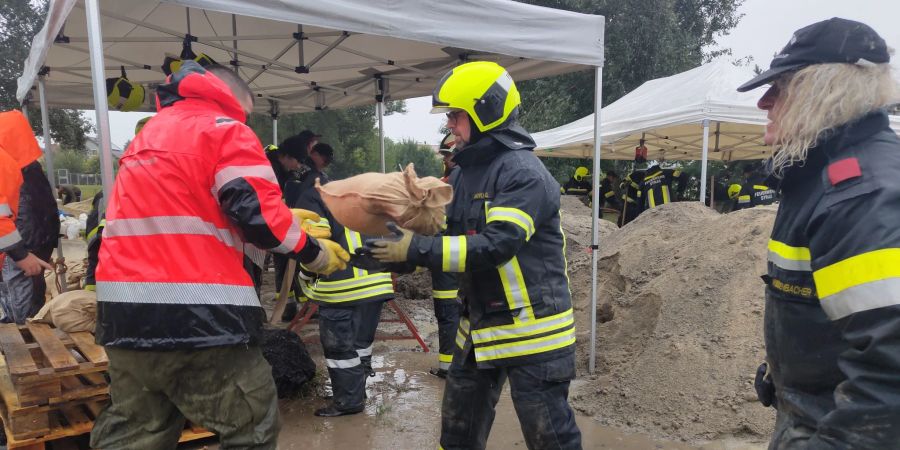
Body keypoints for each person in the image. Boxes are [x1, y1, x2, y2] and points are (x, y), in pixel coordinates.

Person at [90, 61, 349, 450]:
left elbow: (189, 209)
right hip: (198, 313)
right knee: (250, 426)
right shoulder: (226, 129)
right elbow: (257, 217)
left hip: (123, 314)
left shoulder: (148, 135)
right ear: (234, 100)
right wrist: (314, 253)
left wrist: (280, 215)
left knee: (137, 432)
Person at [367, 61, 582, 450]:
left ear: (487, 109)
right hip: (480, 328)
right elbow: (448, 236)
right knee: (457, 435)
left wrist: (416, 248)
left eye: (456, 114)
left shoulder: (522, 172)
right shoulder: (466, 173)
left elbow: (496, 245)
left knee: (551, 440)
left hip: (533, 333)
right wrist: (387, 255)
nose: (449, 123)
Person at [736, 18, 900, 448]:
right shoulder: (820, 179)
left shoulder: (861, 195)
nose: (764, 103)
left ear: (824, 90)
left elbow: (889, 384)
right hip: (809, 415)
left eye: (780, 88)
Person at [289, 147, 395, 417]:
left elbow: (314, 244)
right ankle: (357, 391)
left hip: (341, 288)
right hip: (377, 284)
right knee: (361, 344)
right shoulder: (362, 196)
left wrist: (303, 284)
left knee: (339, 349)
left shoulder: (312, 197)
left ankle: (348, 402)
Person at [0, 110, 55, 323]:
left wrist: (20, 253)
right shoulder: (18, 167)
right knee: (22, 310)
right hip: (22, 245)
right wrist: (21, 254)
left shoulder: (17, 167)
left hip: (21, 244)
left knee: (19, 307)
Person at [430, 133, 461, 379]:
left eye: (449, 155)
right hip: (457, 258)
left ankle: (448, 368)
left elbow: (440, 225)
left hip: (448, 260)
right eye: (445, 156)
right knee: (456, 314)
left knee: (448, 313)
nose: (447, 160)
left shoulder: (451, 185)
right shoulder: (456, 181)